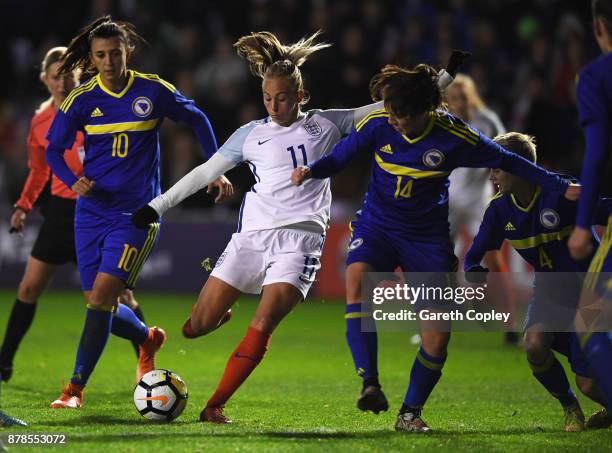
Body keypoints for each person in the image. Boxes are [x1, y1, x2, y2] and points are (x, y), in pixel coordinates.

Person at [132, 32, 462, 424]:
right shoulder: (250, 135)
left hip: (301, 241)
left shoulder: (327, 124)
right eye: (267, 98)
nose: (273, 105)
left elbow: (387, 107)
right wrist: (157, 206)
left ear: (301, 95)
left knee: (264, 322)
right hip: (251, 238)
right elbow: (205, 172)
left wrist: (442, 81)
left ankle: (214, 406)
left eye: (282, 98)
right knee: (195, 328)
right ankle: (213, 318)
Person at [292, 63, 578, 433]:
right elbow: (341, 156)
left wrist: (555, 183)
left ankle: (409, 413)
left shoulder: (453, 136)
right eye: (390, 112)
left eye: (400, 115)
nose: (392, 120)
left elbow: (506, 159)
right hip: (377, 227)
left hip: (425, 240)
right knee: (357, 282)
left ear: (423, 112)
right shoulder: (379, 124)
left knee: (437, 336)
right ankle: (370, 384)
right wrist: (312, 170)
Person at [43, 16, 231, 409]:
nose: (109, 62)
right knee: (99, 304)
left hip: (136, 215)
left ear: (127, 51)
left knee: (100, 301)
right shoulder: (82, 100)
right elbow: (52, 150)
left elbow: (196, 118)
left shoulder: (152, 90)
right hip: (90, 212)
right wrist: (72, 178)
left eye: (115, 53)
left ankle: (74, 389)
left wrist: (215, 170)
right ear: (91, 60)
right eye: (100, 56)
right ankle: (147, 337)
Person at [0, 46, 146, 384]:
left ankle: (146, 355)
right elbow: (38, 171)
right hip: (62, 214)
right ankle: (4, 361)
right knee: (28, 288)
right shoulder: (39, 122)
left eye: (68, 75)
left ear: (79, 75)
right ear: (45, 80)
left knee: (112, 299)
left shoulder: (94, 108)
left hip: (97, 209)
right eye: (56, 77)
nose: (62, 82)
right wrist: (23, 206)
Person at [464, 132, 610, 431]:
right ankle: (570, 408)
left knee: (589, 382)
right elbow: (475, 254)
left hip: (590, 291)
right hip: (549, 292)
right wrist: (473, 270)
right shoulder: (499, 210)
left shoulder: (561, 192)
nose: (492, 175)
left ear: (518, 167)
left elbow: (605, 208)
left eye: (497, 168)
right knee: (534, 345)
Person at [445, 74, 519, 345]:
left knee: (494, 258)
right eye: (453, 98)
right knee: (439, 260)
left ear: (471, 97)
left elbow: (509, 151)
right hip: (449, 201)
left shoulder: (487, 121)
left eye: (463, 97)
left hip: (480, 200)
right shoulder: (442, 122)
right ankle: (445, 317)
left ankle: (510, 323)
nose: (459, 103)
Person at [567, 0, 612, 416]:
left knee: (590, 319)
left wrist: (583, 225)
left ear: (599, 26)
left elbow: (596, 154)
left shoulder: (597, 76)